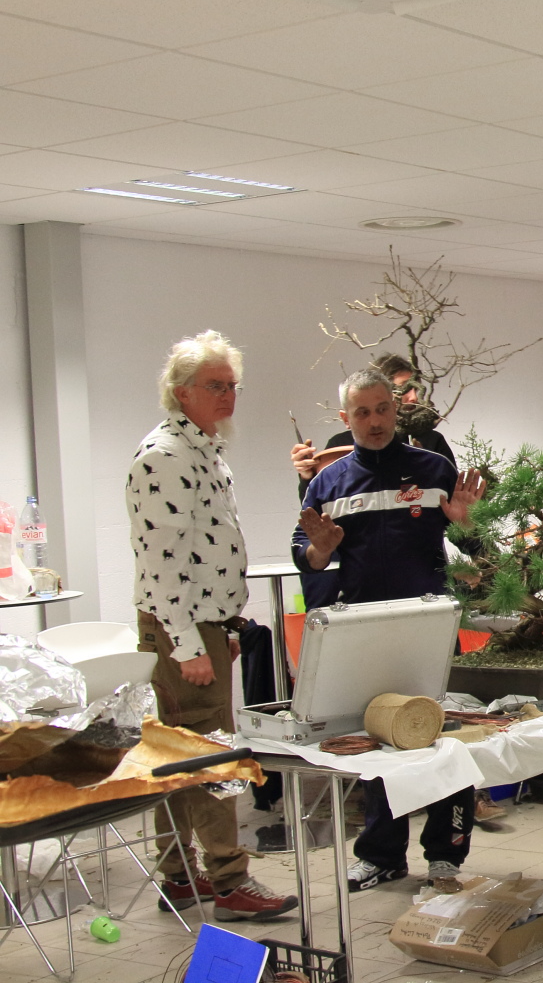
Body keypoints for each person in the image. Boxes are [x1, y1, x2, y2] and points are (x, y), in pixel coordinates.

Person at [292, 367, 487, 892]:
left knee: (443, 739)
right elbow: (306, 554)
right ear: (346, 417)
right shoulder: (327, 483)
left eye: (382, 409)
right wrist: (320, 551)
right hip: (365, 632)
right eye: (363, 412)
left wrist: (469, 526)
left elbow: (477, 550)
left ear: (396, 410)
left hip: (431, 627)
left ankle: (446, 855)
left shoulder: (434, 468)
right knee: (376, 743)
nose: (375, 421)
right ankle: (381, 856)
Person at [127, 330, 297, 922]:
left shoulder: (203, 449)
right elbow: (161, 563)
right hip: (182, 627)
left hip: (204, 624)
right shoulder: (166, 456)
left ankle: (180, 874)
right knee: (208, 754)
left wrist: (224, 627)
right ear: (181, 391)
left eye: (232, 386)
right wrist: (185, 644)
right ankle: (229, 879)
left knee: (178, 751)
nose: (228, 396)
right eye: (215, 386)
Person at [290, 352, 455, 498]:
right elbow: (316, 509)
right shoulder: (340, 445)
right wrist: (307, 476)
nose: (413, 397)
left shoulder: (432, 442)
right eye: (404, 389)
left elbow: (453, 504)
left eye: (415, 389)